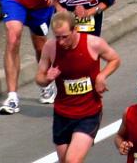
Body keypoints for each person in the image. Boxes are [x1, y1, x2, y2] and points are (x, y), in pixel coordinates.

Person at [34, 12, 120, 163]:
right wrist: (47, 79)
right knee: (65, 160)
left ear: (75, 30)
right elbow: (39, 78)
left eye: (65, 36)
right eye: (57, 37)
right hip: (62, 113)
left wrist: (101, 76)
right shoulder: (50, 47)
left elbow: (115, 59)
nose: (60, 42)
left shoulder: (93, 43)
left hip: (88, 113)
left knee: (72, 160)